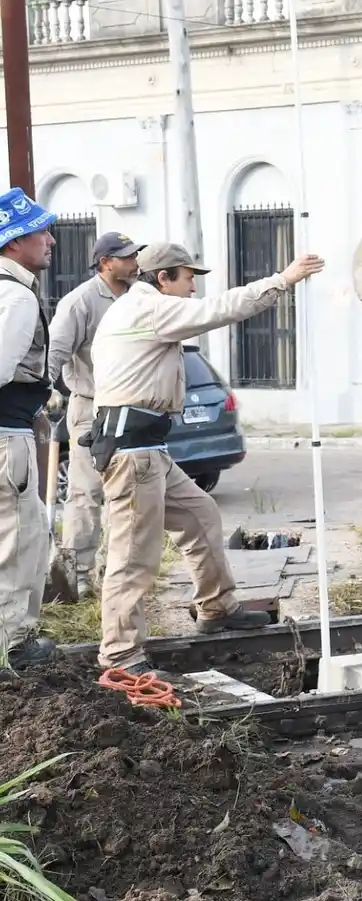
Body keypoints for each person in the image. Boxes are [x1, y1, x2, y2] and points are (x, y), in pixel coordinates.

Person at [89, 242, 324, 675]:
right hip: (133, 453)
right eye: (188, 277)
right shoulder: (150, 308)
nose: (194, 287)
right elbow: (221, 309)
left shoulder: (142, 307)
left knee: (200, 515)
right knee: (133, 556)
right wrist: (283, 280)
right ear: (163, 278)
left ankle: (217, 607)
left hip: (148, 449)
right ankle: (120, 655)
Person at [44, 231, 142, 598]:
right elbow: (54, 352)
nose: (135, 262)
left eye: (135, 255)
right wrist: (44, 392)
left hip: (131, 409)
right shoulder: (80, 302)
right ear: (105, 263)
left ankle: (115, 571)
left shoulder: (139, 296)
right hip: (91, 408)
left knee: (127, 495)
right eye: (127, 257)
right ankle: (78, 577)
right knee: (86, 494)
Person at [0, 187, 59, 668]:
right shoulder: (16, 296)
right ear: (15, 241)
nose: (51, 240)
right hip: (7, 434)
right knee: (18, 539)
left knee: (29, 528)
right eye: (41, 231)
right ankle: (12, 646)